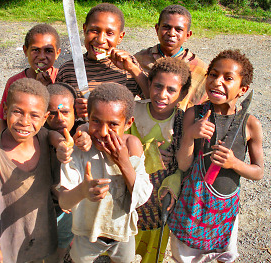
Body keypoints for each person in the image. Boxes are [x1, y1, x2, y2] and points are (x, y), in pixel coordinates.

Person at [168, 50, 264, 262]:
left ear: (242, 89)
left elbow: (258, 172)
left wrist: (234, 163)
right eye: (213, 74)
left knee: (224, 255)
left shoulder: (250, 124)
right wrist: (190, 135)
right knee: (185, 256)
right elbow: (183, 164)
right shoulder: (194, 114)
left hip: (226, 209)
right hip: (193, 203)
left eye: (228, 78)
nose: (217, 81)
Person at [58, 83, 153, 263]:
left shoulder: (132, 147)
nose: (102, 132)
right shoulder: (79, 150)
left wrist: (123, 161)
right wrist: (82, 191)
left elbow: (141, 197)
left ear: (128, 123)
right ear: (88, 118)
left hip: (122, 232)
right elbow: (64, 200)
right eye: (96, 121)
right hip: (87, 232)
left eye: (113, 124)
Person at [0, 78, 58, 263]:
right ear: (5, 110)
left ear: (45, 118)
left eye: (34, 115)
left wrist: (60, 141)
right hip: (9, 246)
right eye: (17, 112)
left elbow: (53, 136)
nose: (24, 121)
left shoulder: (45, 139)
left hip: (45, 238)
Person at [127, 57, 191, 262]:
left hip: (158, 203)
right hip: (129, 195)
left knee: (151, 251)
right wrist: (145, 152)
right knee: (122, 248)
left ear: (181, 94)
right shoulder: (132, 111)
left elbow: (183, 165)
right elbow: (117, 144)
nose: (162, 95)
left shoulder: (182, 121)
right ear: (149, 84)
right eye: (157, 86)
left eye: (171, 90)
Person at [56, 3, 149, 118]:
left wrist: (133, 69)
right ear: (85, 29)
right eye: (94, 31)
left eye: (109, 33)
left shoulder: (128, 67)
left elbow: (153, 100)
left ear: (120, 37)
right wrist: (72, 111)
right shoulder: (68, 70)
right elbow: (56, 106)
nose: (100, 40)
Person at [45, 82, 92, 262]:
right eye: (53, 113)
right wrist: (60, 144)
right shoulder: (40, 134)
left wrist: (85, 135)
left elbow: (84, 128)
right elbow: (52, 136)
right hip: (46, 206)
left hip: (71, 209)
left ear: (75, 112)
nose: (60, 118)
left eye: (65, 112)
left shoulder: (81, 131)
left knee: (63, 240)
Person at [134, 4, 208, 110]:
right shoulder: (140, 60)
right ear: (157, 29)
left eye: (178, 29)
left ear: (188, 35)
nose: (171, 33)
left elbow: (204, 105)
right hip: (147, 122)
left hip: (183, 124)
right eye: (166, 27)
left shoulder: (199, 68)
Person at [0, 23, 61, 131]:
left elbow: (63, 111)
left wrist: (48, 89)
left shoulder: (61, 78)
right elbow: (4, 118)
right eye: (35, 50)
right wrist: (4, 141)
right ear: (25, 51)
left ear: (57, 53)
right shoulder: (15, 82)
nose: (41, 57)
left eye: (48, 51)